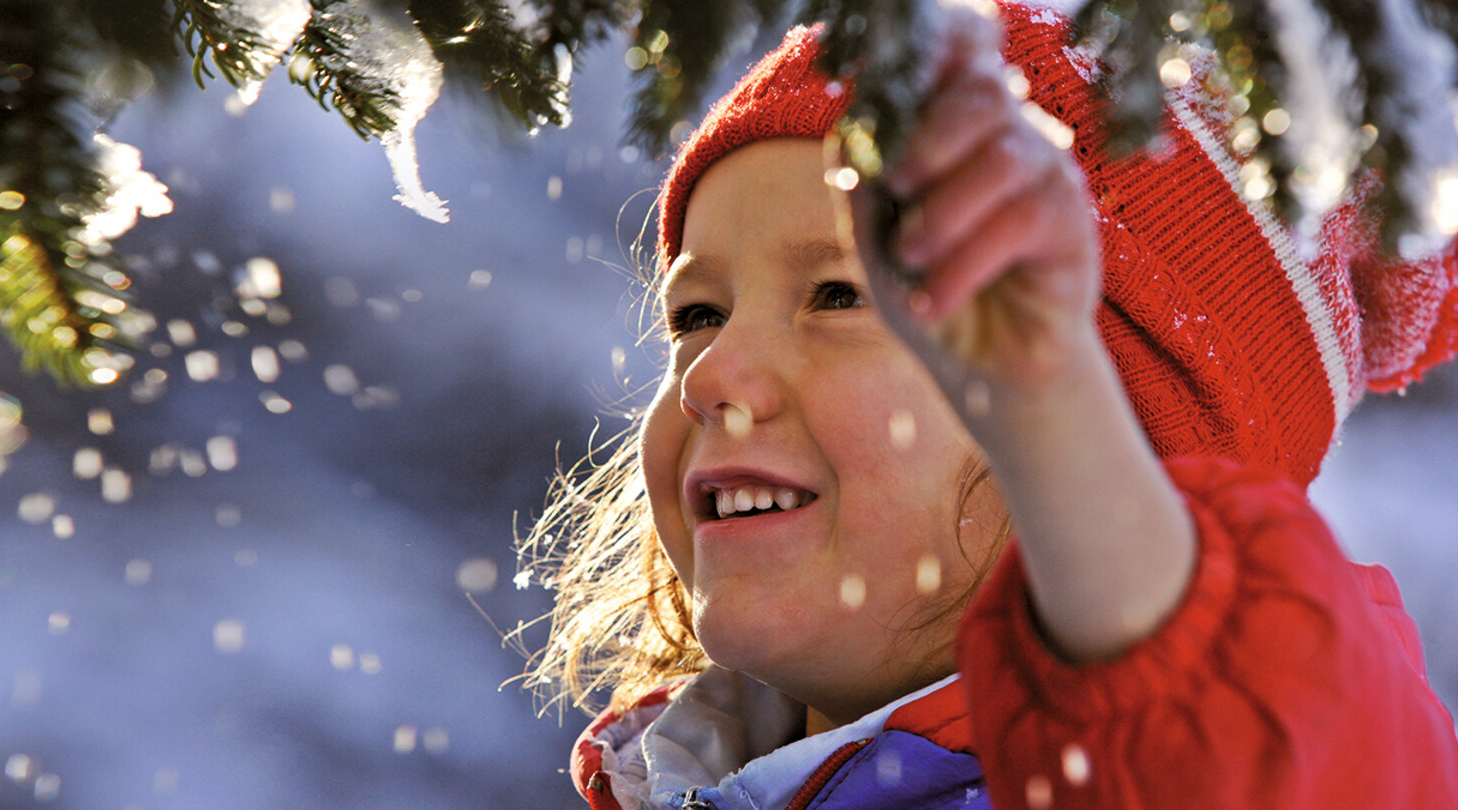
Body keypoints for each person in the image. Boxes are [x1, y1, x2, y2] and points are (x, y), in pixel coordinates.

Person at [516, 2, 1458, 808]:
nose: (709, 374)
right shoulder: (679, 777)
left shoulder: (1274, 751)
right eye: (697, 313)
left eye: (844, 295)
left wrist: (1050, 406)